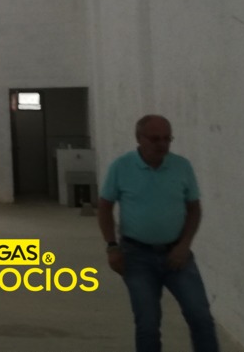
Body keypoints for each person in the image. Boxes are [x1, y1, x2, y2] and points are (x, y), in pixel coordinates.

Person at [98, 114, 218, 352]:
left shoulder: (182, 167)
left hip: (177, 254)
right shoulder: (121, 167)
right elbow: (104, 207)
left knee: (200, 316)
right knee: (148, 324)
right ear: (139, 138)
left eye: (167, 138)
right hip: (137, 256)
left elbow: (194, 209)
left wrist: (184, 245)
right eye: (155, 139)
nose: (162, 144)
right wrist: (112, 247)